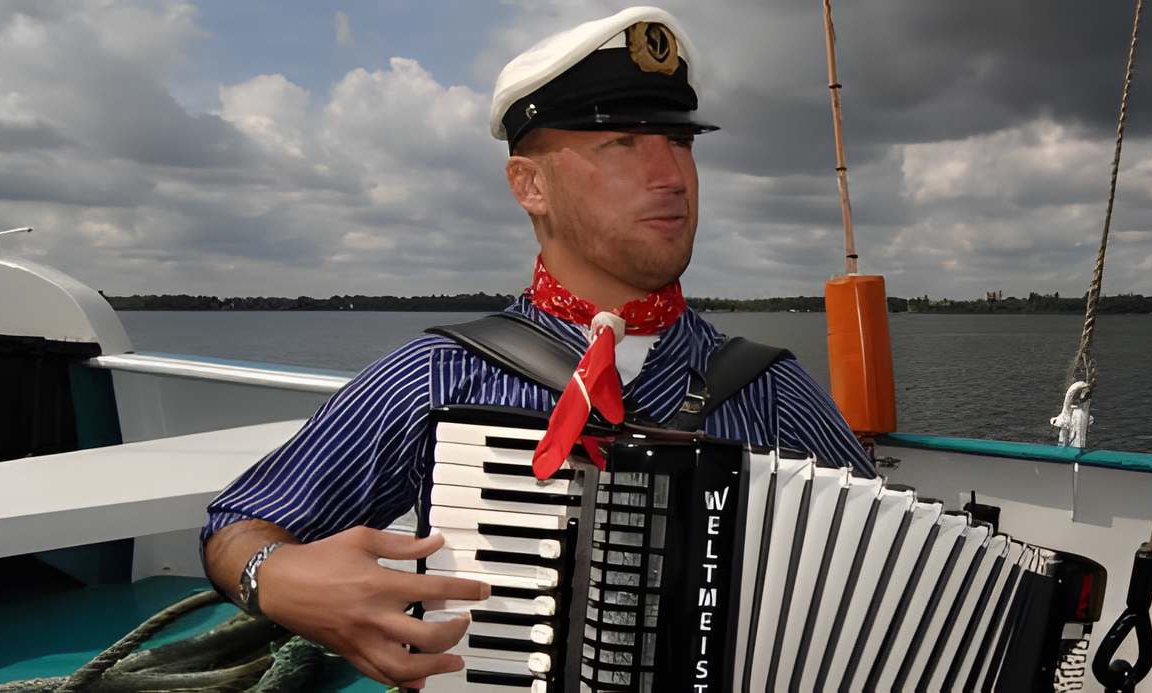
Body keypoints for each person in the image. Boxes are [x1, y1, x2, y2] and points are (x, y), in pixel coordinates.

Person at [198, 7, 872, 688]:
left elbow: (883, 586)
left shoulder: (772, 391)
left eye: (679, 141)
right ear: (530, 185)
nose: (671, 175)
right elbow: (237, 527)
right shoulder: (439, 376)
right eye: (622, 143)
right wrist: (276, 577)